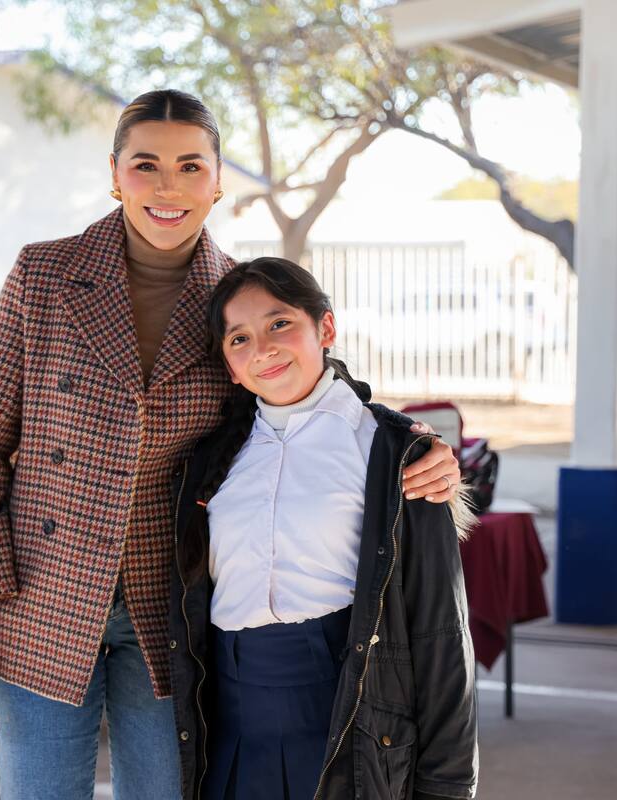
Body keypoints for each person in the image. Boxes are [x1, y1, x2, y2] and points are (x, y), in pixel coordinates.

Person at [0, 89, 463, 800]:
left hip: (171, 618)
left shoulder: (231, 302)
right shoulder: (44, 275)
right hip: (39, 601)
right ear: (114, 173)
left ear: (217, 182)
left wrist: (414, 443)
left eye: (190, 166)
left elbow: (299, 382)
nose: (168, 186)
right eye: (146, 165)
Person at [169, 257, 479, 800]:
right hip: (232, 731)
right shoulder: (212, 459)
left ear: (326, 328)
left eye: (279, 323)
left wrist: (448, 786)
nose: (261, 348)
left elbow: (441, 631)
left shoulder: (396, 452)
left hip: (348, 725)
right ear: (229, 365)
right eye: (238, 338)